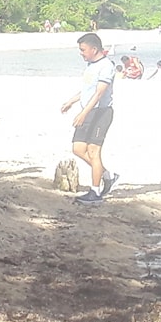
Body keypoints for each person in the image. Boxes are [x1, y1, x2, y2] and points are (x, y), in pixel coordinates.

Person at [60, 31, 119, 203]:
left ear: (94, 49)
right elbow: (87, 90)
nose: (81, 53)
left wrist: (83, 113)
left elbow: (99, 93)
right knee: (77, 149)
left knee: (94, 152)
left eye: (83, 50)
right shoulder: (91, 65)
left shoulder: (106, 66)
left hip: (101, 113)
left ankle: (95, 193)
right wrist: (71, 101)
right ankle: (107, 175)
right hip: (87, 110)